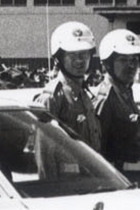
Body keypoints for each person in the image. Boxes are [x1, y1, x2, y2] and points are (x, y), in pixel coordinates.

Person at [93, 29, 140, 187]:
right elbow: (97, 150)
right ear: (108, 64)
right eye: (123, 60)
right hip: (120, 184)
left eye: (134, 59)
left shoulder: (126, 93)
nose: (131, 65)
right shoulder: (105, 99)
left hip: (138, 182)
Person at [35, 21, 102, 150]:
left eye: (84, 54)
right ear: (59, 58)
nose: (79, 60)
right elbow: (43, 148)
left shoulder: (85, 94)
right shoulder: (53, 96)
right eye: (72, 55)